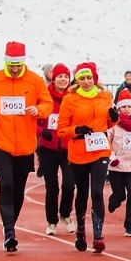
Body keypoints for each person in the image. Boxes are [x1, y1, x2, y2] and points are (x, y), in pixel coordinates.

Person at [0, 41, 52, 252]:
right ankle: (9, 230)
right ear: (6, 63)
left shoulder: (35, 80)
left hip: (25, 144)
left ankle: (11, 224)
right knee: (7, 184)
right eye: (11, 65)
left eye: (18, 65)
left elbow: (47, 104)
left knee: (18, 189)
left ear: (23, 63)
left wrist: (38, 110)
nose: (14, 69)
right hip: (0, 142)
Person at [56, 62, 118, 253]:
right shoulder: (70, 99)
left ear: (95, 78)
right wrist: (77, 130)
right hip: (79, 152)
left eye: (89, 77)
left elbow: (108, 123)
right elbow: (61, 130)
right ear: (77, 80)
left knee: (97, 192)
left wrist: (113, 117)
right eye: (82, 78)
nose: (86, 81)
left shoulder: (105, 96)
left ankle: (98, 235)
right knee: (82, 192)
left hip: (100, 150)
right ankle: (81, 230)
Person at [36, 63, 76, 234]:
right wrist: (42, 132)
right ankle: (51, 221)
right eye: (59, 76)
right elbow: (33, 121)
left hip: (69, 148)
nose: (63, 80)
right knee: (52, 188)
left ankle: (65, 214)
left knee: (69, 185)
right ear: (54, 78)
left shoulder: (73, 97)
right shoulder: (44, 96)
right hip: (48, 149)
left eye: (66, 77)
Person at [106, 89, 131, 237]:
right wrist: (112, 158)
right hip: (117, 166)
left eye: (129, 107)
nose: (127, 110)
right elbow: (107, 143)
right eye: (124, 107)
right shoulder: (114, 125)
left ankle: (129, 225)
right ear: (119, 108)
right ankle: (113, 201)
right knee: (120, 195)